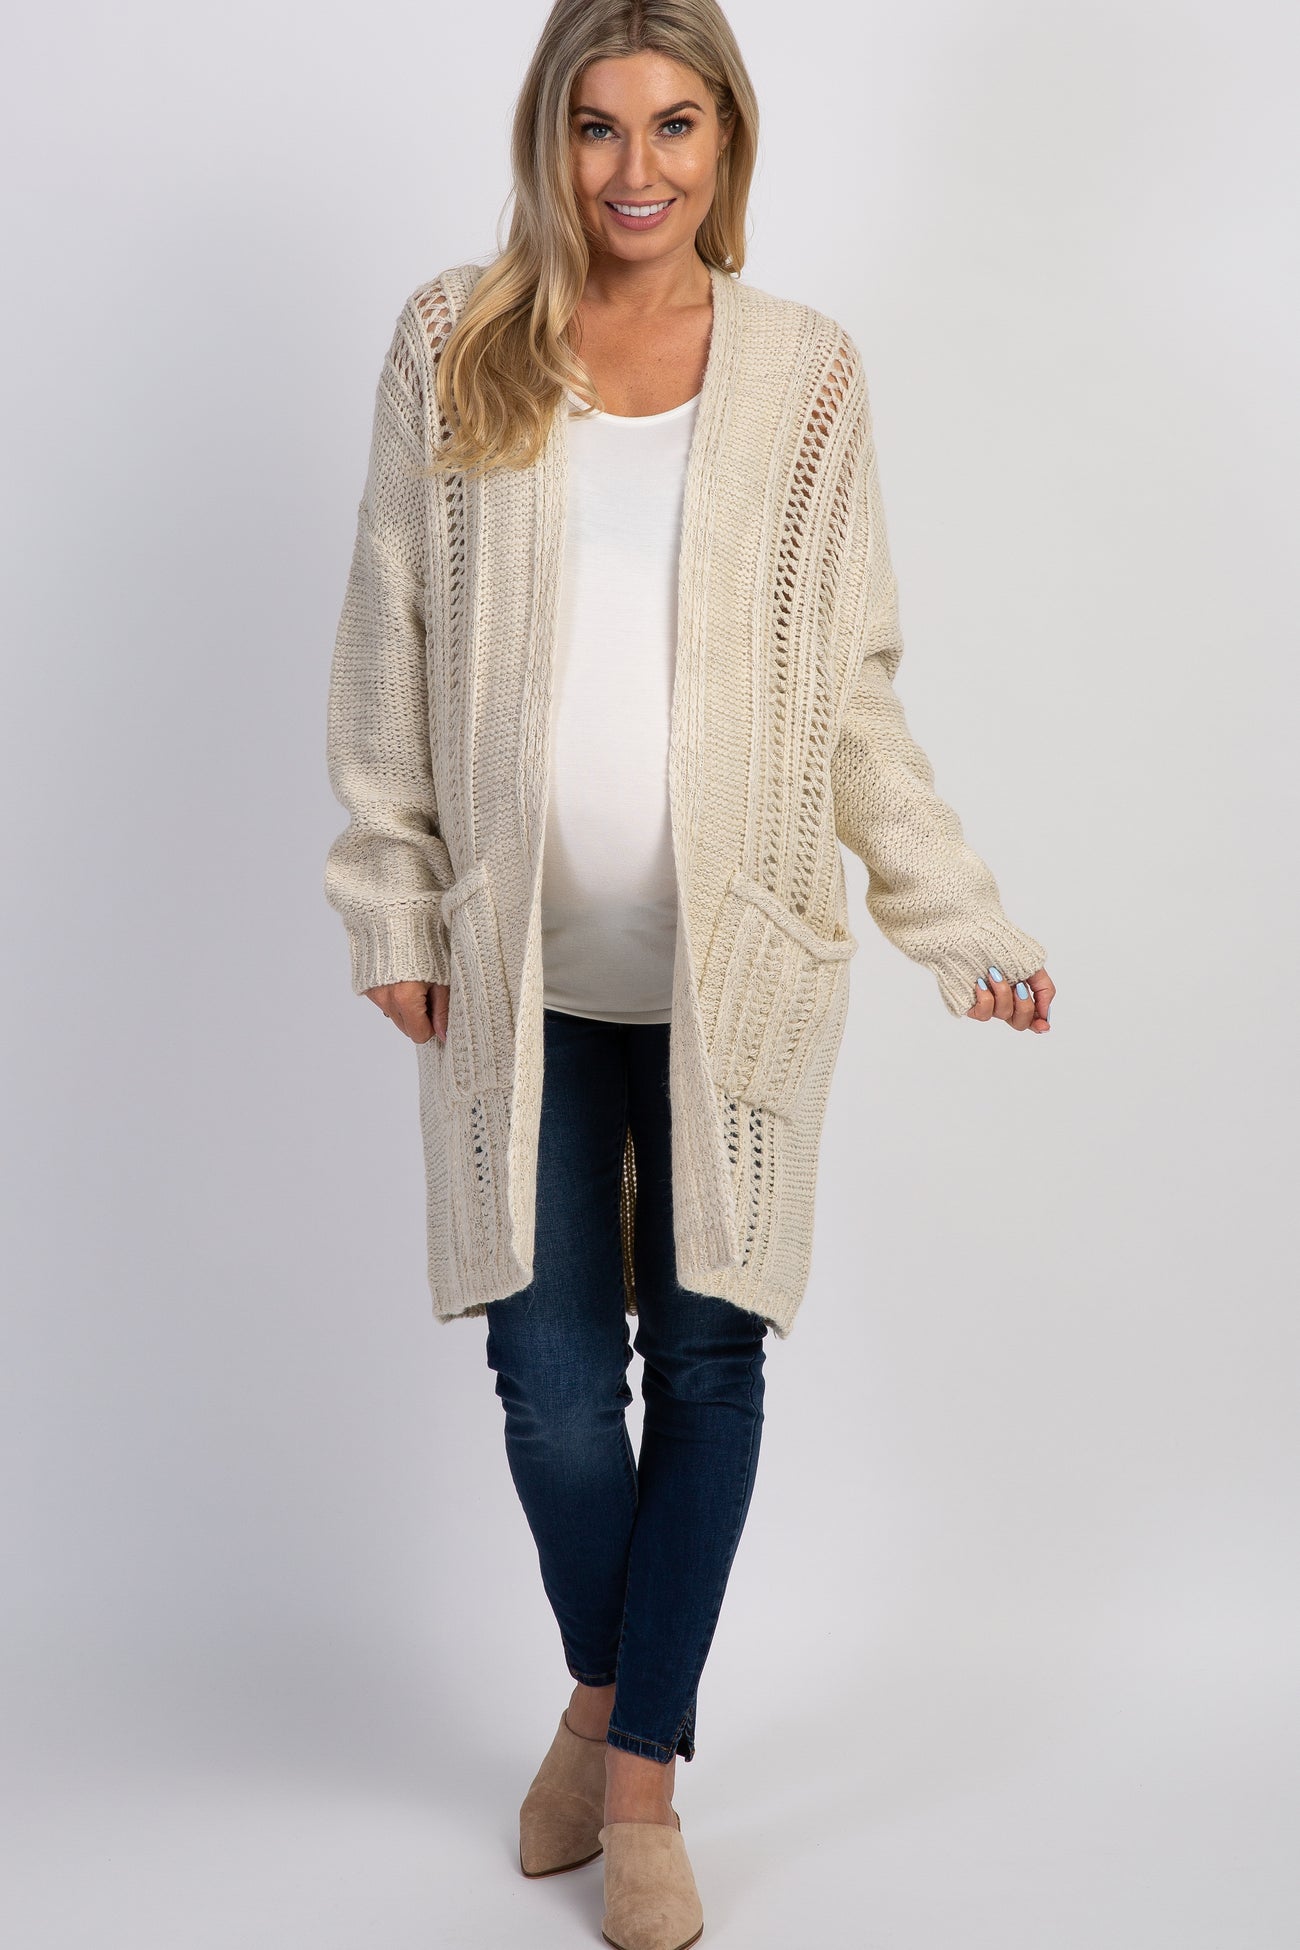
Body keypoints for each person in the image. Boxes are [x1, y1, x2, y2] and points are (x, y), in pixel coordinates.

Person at [322, 3, 1054, 1944]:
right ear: (547, 139)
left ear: (727, 139)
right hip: (521, 973)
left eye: (673, 125)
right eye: (596, 126)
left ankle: (633, 1779)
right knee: (553, 1389)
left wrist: (957, 918)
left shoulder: (805, 376)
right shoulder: (455, 342)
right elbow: (388, 638)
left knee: (709, 1361)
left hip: (738, 971)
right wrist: (392, 906)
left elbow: (850, 693)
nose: (633, 168)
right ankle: (604, 1692)